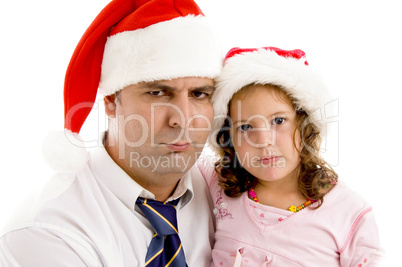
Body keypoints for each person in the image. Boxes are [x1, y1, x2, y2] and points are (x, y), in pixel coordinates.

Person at [0, 0, 222, 266]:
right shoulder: (50, 231)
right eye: (158, 92)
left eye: (199, 94)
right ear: (110, 101)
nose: (183, 119)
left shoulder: (227, 195)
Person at [198, 47, 384, 266]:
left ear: (305, 126)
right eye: (246, 127)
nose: (263, 140)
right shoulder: (216, 184)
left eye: (278, 121)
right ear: (228, 138)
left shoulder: (349, 213)